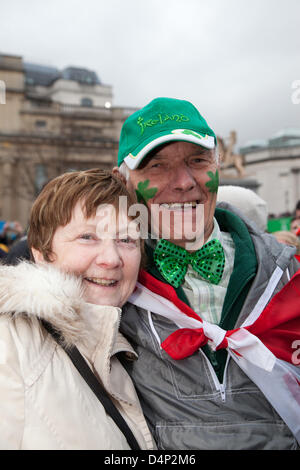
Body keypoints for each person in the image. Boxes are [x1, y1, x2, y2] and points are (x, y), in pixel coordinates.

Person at [113, 97, 300, 450]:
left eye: (197, 161)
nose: (183, 182)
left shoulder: (288, 272)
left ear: (217, 165)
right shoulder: (109, 285)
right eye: (156, 165)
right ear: (122, 182)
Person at [0, 169, 155, 450]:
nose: (111, 259)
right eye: (87, 237)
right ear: (42, 252)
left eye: (126, 240)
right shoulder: (10, 343)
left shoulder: (127, 347)